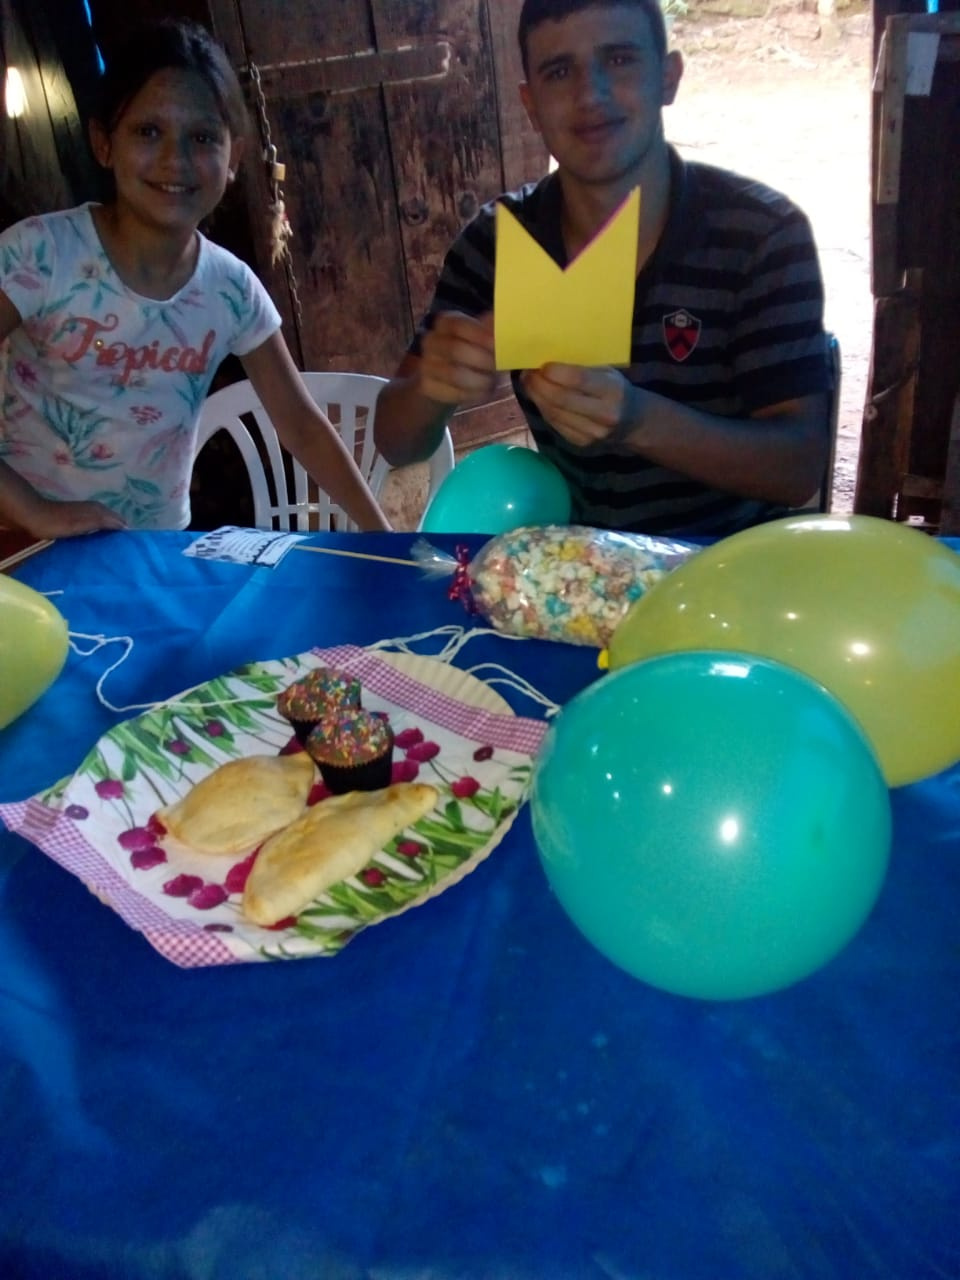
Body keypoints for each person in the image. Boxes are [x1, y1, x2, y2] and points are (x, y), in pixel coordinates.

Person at [373, 0, 832, 536]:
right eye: (558, 71)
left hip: (727, 560)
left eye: (618, 60)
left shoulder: (762, 235)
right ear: (530, 105)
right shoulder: (498, 241)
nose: (589, 95)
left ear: (668, 77)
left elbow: (798, 468)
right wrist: (433, 385)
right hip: (577, 561)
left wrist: (638, 420)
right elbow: (396, 443)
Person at [0, 19, 390, 541]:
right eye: (148, 131)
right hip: (23, 545)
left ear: (234, 159)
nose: (175, 159)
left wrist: (388, 541)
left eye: (202, 137)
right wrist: (35, 512)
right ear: (103, 143)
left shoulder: (231, 290)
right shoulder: (39, 254)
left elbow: (301, 426)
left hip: (157, 547)